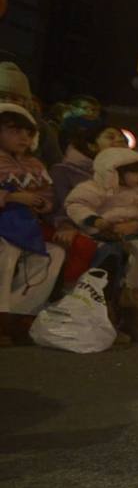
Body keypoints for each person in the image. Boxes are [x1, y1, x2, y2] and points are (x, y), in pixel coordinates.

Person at [64, 148, 138, 341]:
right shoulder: (94, 188)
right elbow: (77, 205)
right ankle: (107, 317)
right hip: (101, 235)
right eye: (134, 172)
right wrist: (96, 221)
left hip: (129, 234)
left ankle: (133, 310)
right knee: (113, 257)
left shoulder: (135, 194)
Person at [0, 100, 66, 344]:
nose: (23, 138)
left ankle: (19, 313)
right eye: (14, 131)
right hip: (6, 230)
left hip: (25, 228)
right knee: (8, 250)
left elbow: (49, 196)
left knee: (53, 254)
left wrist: (40, 203)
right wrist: (13, 196)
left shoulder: (35, 165)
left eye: (28, 133)